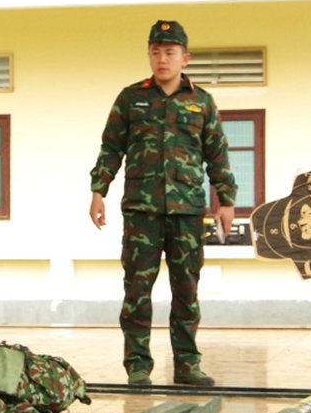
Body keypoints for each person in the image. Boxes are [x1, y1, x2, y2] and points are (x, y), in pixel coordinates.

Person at [89, 20, 236, 386]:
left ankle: (187, 365)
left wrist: (226, 201)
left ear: (185, 58)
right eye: (155, 52)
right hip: (142, 210)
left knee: (186, 290)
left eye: (169, 52)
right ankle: (138, 366)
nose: (162, 59)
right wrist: (98, 190)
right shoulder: (131, 98)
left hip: (187, 211)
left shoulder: (201, 102)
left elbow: (217, 154)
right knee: (137, 291)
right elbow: (111, 147)